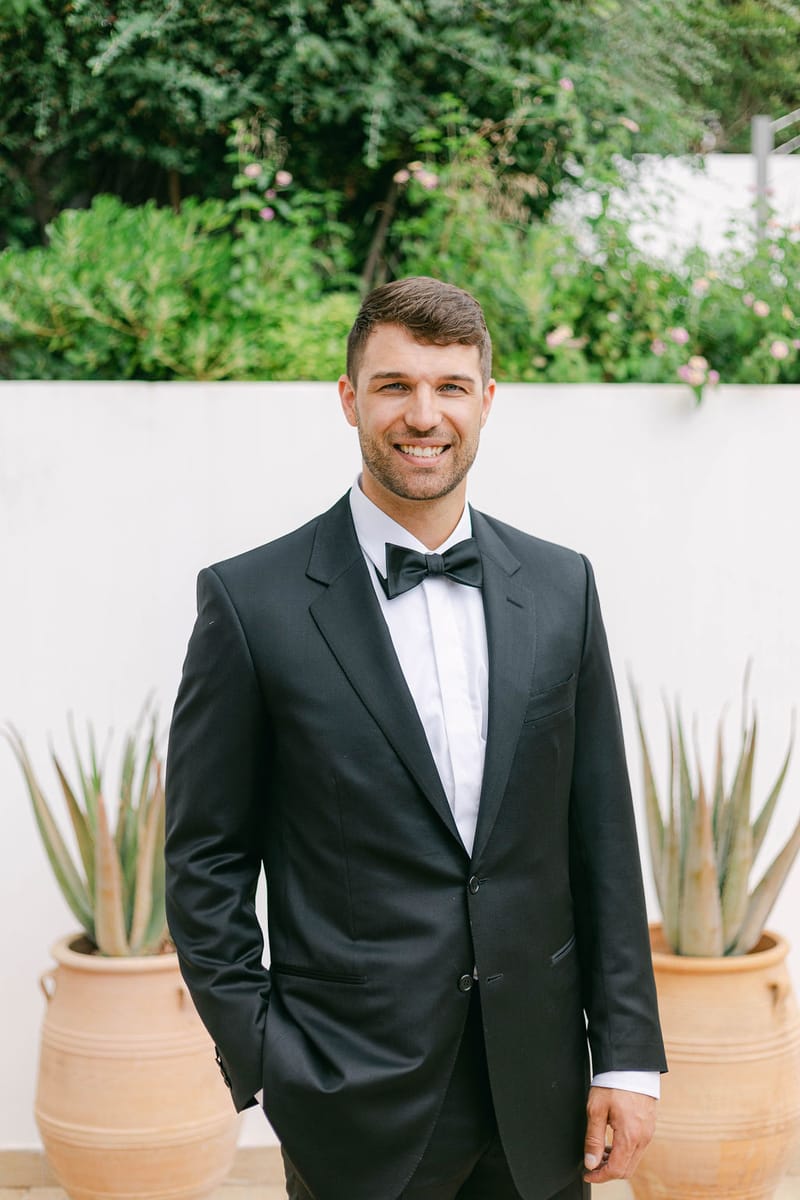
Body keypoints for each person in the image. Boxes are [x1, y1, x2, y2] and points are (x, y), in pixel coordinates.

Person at [164, 276, 666, 1200]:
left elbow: (603, 836)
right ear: (350, 399)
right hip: (351, 1099)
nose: (422, 415)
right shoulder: (250, 604)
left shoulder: (564, 588)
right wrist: (272, 1061)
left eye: (449, 386)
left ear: (487, 400)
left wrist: (627, 1057)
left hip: (541, 1095)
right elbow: (205, 860)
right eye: (394, 385)